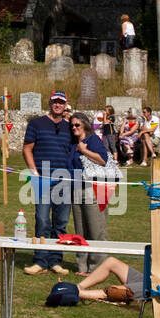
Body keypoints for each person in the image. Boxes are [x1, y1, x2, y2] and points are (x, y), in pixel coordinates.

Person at [22, 90, 74, 276]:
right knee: (42, 220)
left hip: (65, 180)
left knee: (60, 222)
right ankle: (40, 261)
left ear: (65, 105)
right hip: (43, 179)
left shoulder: (70, 128)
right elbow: (27, 149)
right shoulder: (36, 123)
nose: (57, 105)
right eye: (54, 101)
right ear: (49, 102)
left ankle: (55, 260)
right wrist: (34, 172)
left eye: (61, 102)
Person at [69, 111, 110, 275]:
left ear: (85, 124)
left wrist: (84, 151)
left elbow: (103, 159)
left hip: (93, 189)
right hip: (76, 189)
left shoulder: (92, 140)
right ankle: (82, 267)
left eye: (77, 124)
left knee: (96, 230)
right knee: (80, 231)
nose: (74, 127)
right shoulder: (73, 144)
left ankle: (97, 268)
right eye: (72, 125)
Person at [77, 256, 145, 303]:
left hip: (154, 286)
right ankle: (77, 287)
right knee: (111, 262)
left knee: (114, 292)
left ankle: (72, 292)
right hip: (150, 279)